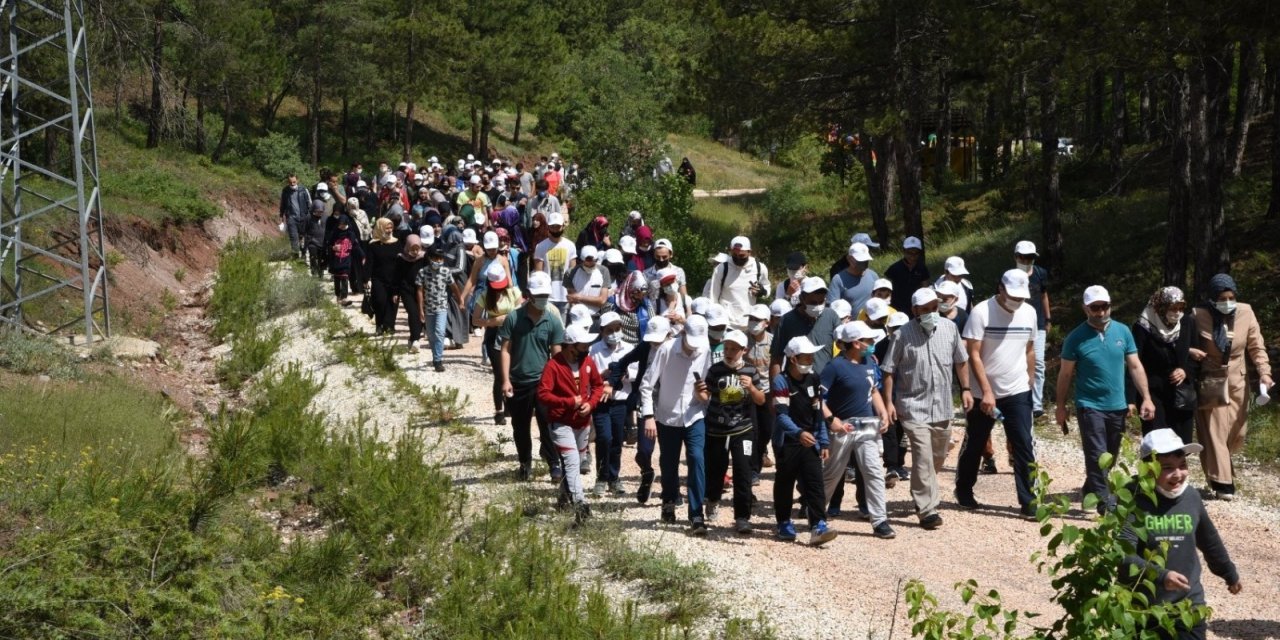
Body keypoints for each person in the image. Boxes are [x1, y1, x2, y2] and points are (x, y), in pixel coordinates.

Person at [1120, 429, 1242, 639]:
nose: (1178, 474)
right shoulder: (1133, 501)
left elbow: (1209, 541)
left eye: (1183, 465)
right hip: (1143, 608)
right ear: (1148, 469)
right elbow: (1123, 555)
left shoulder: (1191, 498)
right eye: (1167, 468)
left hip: (1188, 605)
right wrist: (1161, 575)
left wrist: (1228, 572)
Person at [1055, 285, 1156, 515]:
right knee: (1096, 454)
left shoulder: (1123, 332)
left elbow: (1135, 366)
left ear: (1110, 305)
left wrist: (1146, 398)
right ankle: (1105, 503)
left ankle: (1090, 489)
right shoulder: (1075, 338)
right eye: (1094, 308)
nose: (1100, 312)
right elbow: (1065, 374)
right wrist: (1061, 406)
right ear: (1085, 308)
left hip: (1117, 405)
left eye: (1104, 306)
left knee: (1109, 456)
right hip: (1089, 405)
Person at [882, 288, 972, 530]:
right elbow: (889, 369)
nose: (932, 312)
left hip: (942, 406)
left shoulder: (949, 328)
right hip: (913, 406)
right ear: (914, 311)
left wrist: (965, 388)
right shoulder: (902, 335)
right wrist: (889, 402)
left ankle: (923, 493)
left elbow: (961, 360)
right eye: (925, 309)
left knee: (938, 456)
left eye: (934, 307)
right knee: (922, 457)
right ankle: (927, 509)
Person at [955, 269, 1039, 518]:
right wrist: (986, 391)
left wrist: (1031, 382)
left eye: (1021, 297)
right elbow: (974, 354)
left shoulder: (1030, 312)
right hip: (984, 392)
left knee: (1024, 444)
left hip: (1017, 390)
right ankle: (963, 489)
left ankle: (1029, 501)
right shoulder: (981, 311)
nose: (1017, 301)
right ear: (1000, 288)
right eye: (1013, 295)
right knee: (976, 442)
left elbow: (1030, 349)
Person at [1190, 273, 1273, 501]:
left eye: (1231, 297)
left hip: (1238, 378)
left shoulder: (1246, 312)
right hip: (1211, 378)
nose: (1227, 302)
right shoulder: (1198, 315)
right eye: (1222, 298)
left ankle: (1219, 471)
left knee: (1236, 431)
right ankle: (1223, 482)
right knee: (1215, 429)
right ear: (1213, 298)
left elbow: (1257, 347)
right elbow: (1185, 342)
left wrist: (1264, 372)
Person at [639, 315, 712, 535]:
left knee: (697, 459)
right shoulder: (666, 350)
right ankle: (669, 502)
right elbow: (646, 385)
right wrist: (648, 415)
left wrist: (704, 396)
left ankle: (696, 514)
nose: (694, 347)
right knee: (668, 463)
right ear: (682, 334)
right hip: (667, 416)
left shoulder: (706, 350)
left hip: (694, 414)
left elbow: (708, 386)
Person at [822, 322, 896, 539]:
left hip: (867, 427)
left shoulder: (870, 363)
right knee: (832, 474)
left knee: (873, 472)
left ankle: (880, 520)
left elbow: (873, 390)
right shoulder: (835, 367)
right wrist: (831, 420)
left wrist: (882, 413)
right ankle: (816, 510)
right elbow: (818, 398)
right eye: (869, 341)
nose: (872, 344)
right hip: (842, 428)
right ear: (855, 343)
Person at [771, 336, 838, 546]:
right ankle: (783, 522)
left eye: (811, 356)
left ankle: (818, 525)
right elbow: (781, 416)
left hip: (810, 439)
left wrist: (824, 441)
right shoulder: (781, 381)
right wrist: (798, 433)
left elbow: (818, 412)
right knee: (785, 481)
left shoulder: (814, 379)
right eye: (806, 357)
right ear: (792, 359)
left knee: (815, 483)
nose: (810, 360)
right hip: (788, 441)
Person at [499, 271, 566, 481]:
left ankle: (553, 462)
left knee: (548, 423)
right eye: (539, 295)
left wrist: (560, 381)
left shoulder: (552, 320)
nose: (542, 299)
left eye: (545, 294)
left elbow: (556, 354)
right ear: (528, 293)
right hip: (518, 382)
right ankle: (524, 462)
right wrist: (505, 380)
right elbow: (505, 349)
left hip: (543, 382)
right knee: (520, 426)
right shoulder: (514, 318)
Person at [538, 324, 606, 523]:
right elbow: (543, 394)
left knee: (573, 466)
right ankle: (581, 505)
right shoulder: (553, 366)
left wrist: (591, 404)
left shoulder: (588, 362)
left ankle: (562, 499)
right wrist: (568, 402)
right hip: (560, 423)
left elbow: (598, 386)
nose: (586, 349)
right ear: (570, 346)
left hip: (583, 423)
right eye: (583, 345)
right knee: (572, 461)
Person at [703, 329, 768, 534]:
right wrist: (700, 393)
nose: (729, 352)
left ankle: (742, 517)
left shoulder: (750, 371)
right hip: (717, 429)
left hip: (743, 429)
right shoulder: (715, 370)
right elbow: (706, 395)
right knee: (716, 470)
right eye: (726, 348)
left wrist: (751, 388)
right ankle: (713, 500)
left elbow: (761, 400)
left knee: (743, 472)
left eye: (733, 349)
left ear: (744, 350)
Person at [1129, 286, 1197, 442]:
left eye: (1181, 308)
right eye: (1173, 308)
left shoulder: (1187, 323)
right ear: (1160, 307)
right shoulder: (1143, 327)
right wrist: (1131, 398)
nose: (1177, 312)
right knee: (1157, 442)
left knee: (1181, 444)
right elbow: (1134, 362)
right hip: (1153, 392)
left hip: (1181, 393)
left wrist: (1185, 370)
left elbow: (1195, 356)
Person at [472, 263, 523, 424]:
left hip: (513, 335)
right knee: (500, 374)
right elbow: (475, 319)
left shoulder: (514, 292)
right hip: (494, 336)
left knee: (513, 372)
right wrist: (492, 321)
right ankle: (499, 410)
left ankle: (510, 405)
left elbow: (521, 310)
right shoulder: (485, 296)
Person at [590, 312, 634, 497]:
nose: (614, 333)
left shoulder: (629, 348)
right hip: (601, 402)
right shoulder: (594, 350)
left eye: (617, 329)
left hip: (620, 401)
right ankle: (601, 477)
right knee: (604, 438)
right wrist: (604, 375)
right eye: (609, 330)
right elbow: (590, 376)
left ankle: (614, 478)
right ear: (602, 331)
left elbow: (635, 372)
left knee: (617, 439)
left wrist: (625, 375)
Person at [771, 277, 840, 379]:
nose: (817, 306)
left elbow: (845, 346)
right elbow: (776, 359)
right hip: (796, 385)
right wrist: (777, 389)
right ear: (802, 298)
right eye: (813, 302)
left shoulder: (831, 316)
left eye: (821, 302)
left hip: (826, 383)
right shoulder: (787, 320)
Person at [1014, 240, 1052, 418]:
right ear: (1016, 257)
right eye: (1024, 257)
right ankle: (1019, 399)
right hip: (1015, 325)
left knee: (1038, 363)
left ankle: (1036, 403)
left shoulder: (1040, 273)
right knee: (1018, 362)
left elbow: (1044, 295)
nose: (1027, 260)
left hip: (1038, 323)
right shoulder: (1010, 276)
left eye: (1030, 257)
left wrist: (1048, 318)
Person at [707, 236, 769, 331]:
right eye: (735, 255)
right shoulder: (721, 269)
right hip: (727, 323)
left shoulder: (759, 268)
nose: (738, 259)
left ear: (749, 252)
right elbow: (713, 297)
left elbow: (766, 287)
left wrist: (762, 292)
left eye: (742, 256)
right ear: (731, 252)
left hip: (749, 323)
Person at [419, 245, 463, 371]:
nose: (438, 261)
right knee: (431, 335)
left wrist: (460, 300)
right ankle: (435, 356)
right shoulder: (423, 272)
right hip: (428, 308)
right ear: (429, 258)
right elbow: (419, 291)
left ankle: (438, 360)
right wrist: (420, 309)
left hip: (442, 307)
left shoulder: (446, 271)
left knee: (439, 333)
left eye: (440, 259)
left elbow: (454, 286)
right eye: (435, 258)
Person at [744, 304, 776, 480]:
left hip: (767, 392)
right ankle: (752, 469)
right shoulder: (742, 339)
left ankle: (758, 457)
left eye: (757, 320)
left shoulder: (773, 341)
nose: (753, 323)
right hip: (747, 392)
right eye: (751, 319)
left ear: (766, 323)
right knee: (752, 432)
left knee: (766, 431)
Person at [533, 212, 577, 315]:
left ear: (563, 226)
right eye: (553, 227)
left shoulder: (570, 245)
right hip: (548, 296)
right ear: (548, 227)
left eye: (558, 226)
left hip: (565, 296)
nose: (556, 229)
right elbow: (538, 273)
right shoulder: (541, 246)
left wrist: (573, 295)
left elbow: (573, 272)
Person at [828, 242, 879, 315]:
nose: (864, 263)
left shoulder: (873, 276)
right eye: (860, 260)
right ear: (849, 259)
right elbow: (832, 308)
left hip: (872, 324)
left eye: (866, 260)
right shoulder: (838, 280)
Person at [395, 235, 427, 352]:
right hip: (406, 289)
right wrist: (395, 292)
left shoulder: (424, 257)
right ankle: (415, 339)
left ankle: (414, 338)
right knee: (413, 312)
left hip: (421, 289)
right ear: (407, 247)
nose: (415, 251)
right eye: (412, 249)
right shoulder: (401, 258)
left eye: (417, 248)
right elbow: (396, 276)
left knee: (421, 312)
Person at [884, 237, 930, 313]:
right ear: (904, 251)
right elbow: (886, 289)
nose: (912, 256)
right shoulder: (894, 268)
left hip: (916, 307)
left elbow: (925, 288)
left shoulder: (922, 268)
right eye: (909, 253)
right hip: (897, 308)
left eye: (916, 253)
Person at [327, 215, 363, 307]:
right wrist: (333, 247)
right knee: (337, 278)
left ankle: (344, 297)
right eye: (340, 224)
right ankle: (338, 296)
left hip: (346, 259)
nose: (342, 226)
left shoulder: (351, 234)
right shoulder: (334, 233)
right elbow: (328, 245)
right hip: (336, 259)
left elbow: (356, 245)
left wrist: (363, 255)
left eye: (344, 224)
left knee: (344, 277)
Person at [565, 245, 611, 315]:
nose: (589, 267)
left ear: (596, 260)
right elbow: (572, 298)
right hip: (576, 315)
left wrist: (580, 297)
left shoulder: (604, 271)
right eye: (586, 265)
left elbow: (602, 301)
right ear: (581, 260)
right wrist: (594, 300)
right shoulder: (570, 272)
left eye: (592, 265)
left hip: (595, 316)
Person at [279, 173, 312, 258]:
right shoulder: (285, 191)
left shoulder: (304, 190)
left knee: (303, 237)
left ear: (297, 180)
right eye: (290, 182)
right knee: (293, 237)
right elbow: (282, 204)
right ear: (288, 182)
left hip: (303, 217)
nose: (292, 184)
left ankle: (303, 253)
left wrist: (310, 216)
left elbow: (309, 204)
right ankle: (295, 256)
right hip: (291, 218)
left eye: (294, 182)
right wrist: (281, 216)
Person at [300, 200, 328, 277]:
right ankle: (314, 271)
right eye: (317, 211)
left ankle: (321, 270)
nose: (319, 213)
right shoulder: (308, 217)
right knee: (313, 256)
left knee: (321, 257)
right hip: (312, 240)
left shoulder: (326, 217)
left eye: (321, 211)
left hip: (323, 241)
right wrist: (302, 240)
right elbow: (304, 229)